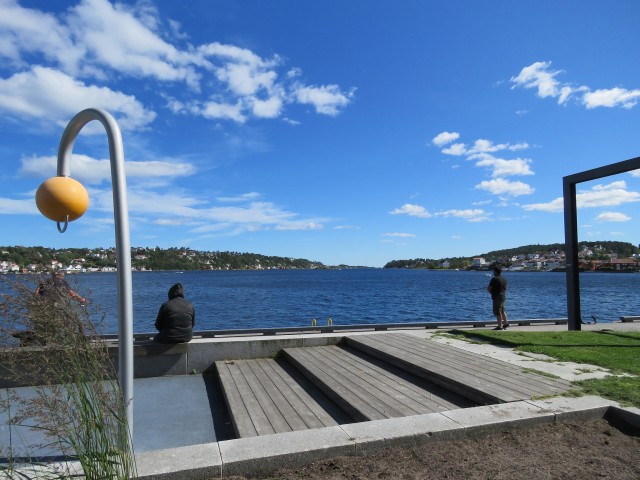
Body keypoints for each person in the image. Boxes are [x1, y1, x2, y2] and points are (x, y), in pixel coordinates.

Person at [487, 266, 509, 330]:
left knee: (497, 311)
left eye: (493, 271)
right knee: (502, 310)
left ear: (495, 272)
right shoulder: (504, 279)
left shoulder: (494, 279)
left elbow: (489, 289)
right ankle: (505, 323)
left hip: (497, 297)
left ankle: (500, 326)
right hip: (503, 297)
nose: (493, 272)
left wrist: (492, 292)